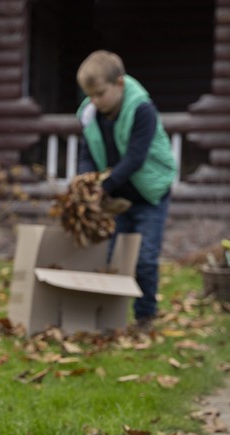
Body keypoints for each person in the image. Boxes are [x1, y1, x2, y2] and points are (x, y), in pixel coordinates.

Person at [75, 50, 177, 331]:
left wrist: (104, 185)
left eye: (100, 94)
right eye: (90, 95)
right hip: (116, 195)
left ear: (119, 83)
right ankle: (112, 317)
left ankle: (145, 316)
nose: (95, 101)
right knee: (113, 255)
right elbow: (87, 153)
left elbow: (135, 158)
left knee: (144, 257)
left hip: (148, 194)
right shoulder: (90, 113)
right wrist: (87, 180)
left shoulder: (141, 109)